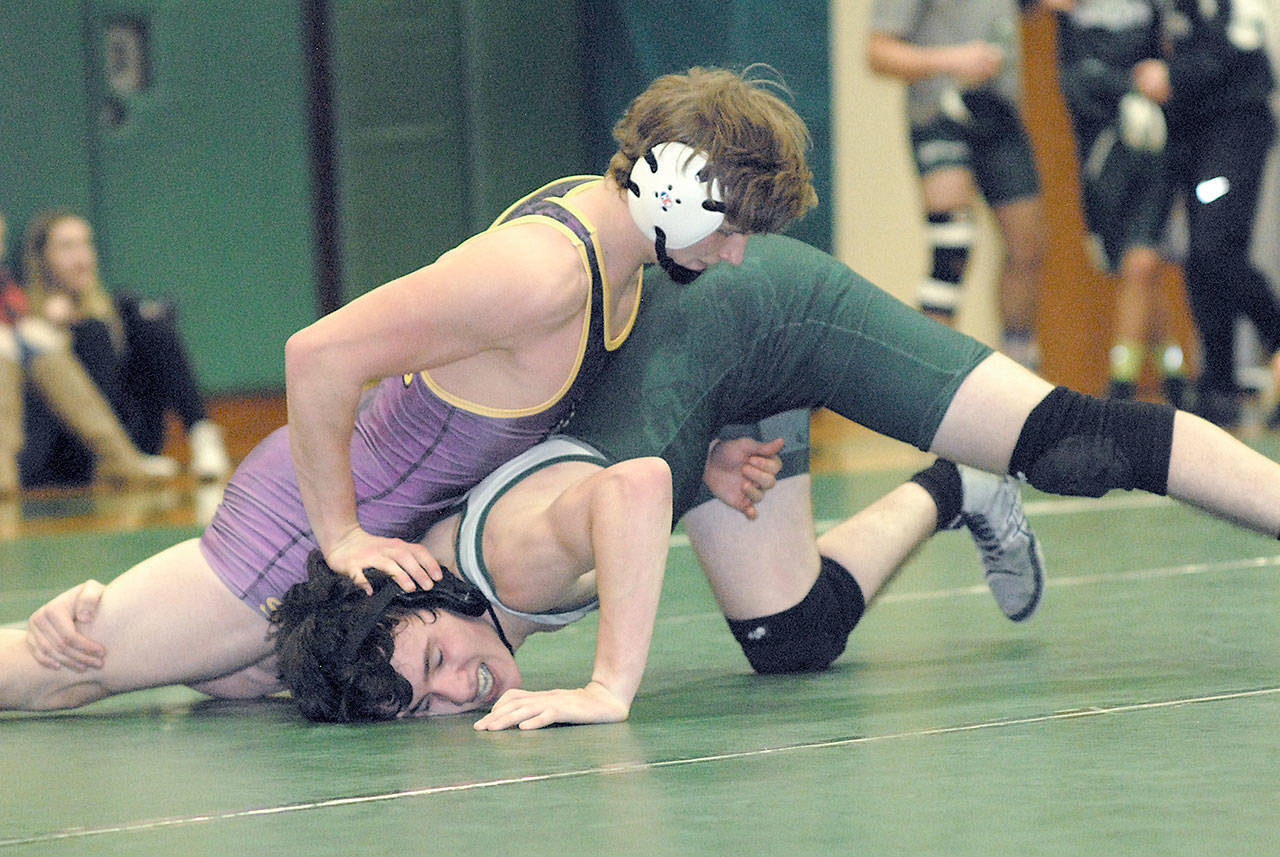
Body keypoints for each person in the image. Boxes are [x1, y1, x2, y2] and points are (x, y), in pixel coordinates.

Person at [12, 234, 1280, 726]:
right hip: (674, 400)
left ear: (425, 589)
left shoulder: (488, 557)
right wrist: (113, 606)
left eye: (440, 666)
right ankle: (952, 491)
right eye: (436, 700)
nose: (465, 689)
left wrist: (608, 683)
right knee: (789, 638)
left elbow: (615, 488)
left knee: (1068, 440)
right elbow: (252, 657)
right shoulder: (389, 604)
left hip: (763, 319)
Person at [0, 66, 818, 720]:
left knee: (235, 681)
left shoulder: (610, 245)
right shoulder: (542, 272)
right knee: (60, 672)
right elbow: (317, 354)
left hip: (353, 521)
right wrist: (343, 534)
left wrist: (697, 465)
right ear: (671, 190)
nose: (737, 253)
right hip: (305, 531)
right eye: (732, 227)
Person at [867, 0, 1048, 368]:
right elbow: (878, 51)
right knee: (952, 245)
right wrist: (952, 60)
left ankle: (1020, 368)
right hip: (939, 113)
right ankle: (929, 374)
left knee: (1029, 245)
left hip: (999, 113)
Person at [1134, 0, 1280, 426]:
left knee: (1218, 249)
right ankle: (1219, 387)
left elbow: (1239, 44)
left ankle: (1262, 349)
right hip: (1186, 133)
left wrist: (1172, 76)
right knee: (1200, 260)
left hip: (1235, 128)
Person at [21, 209, 231, 484]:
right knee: (90, 332)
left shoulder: (112, 308)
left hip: (136, 433)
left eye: (86, 244)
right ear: (42, 257)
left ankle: (201, 432)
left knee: (152, 326)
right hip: (75, 450)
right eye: (67, 246)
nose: (82, 257)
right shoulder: (25, 313)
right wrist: (54, 331)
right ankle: (122, 457)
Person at [1051, 0, 1189, 405]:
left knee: (1141, 262)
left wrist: (1161, 80)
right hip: (1100, 146)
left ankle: (1121, 386)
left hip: (1152, 140)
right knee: (1131, 272)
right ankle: (1176, 373)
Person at [1, 210, 178, 495]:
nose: (81, 257)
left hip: (89, 432)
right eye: (68, 246)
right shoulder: (30, 299)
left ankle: (121, 457)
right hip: (43, 441)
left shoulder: (8, 287)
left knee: (47, 342)